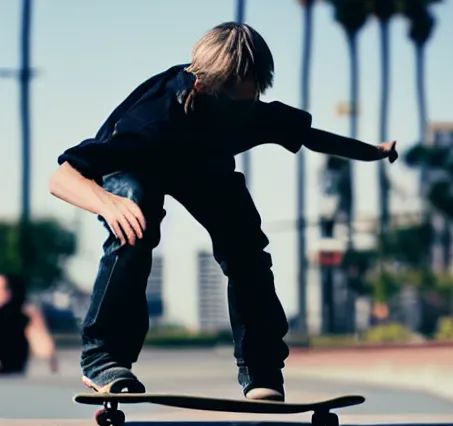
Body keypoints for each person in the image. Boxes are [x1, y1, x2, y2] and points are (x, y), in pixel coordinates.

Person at [49, 22, 398, 401]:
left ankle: (261, 369)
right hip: (137, 164)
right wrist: (109, 202)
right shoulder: (150, 118)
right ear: (202, 86)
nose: (239, 116)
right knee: (135, 220)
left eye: (250, 102)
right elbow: (63, 178)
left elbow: (311, 136)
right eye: (231, 106)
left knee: (247, 249)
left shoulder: (249, 111)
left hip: (203, 167)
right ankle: (103, 359)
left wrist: (372, 151)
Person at [0, 273, 58, 374]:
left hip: (13, 378)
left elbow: (44, 351)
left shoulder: (22, 316)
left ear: (9, 293)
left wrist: (34, 320)